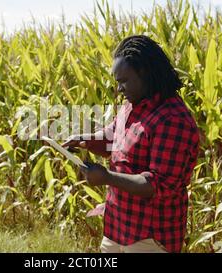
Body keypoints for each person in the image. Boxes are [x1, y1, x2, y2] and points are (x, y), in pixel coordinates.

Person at [62, 35, 200, 253]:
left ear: (145, 72)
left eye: (123, 81)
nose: (119, 89)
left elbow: (157, 185)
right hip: (118, 227)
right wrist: (86, 141)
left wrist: (106, 177)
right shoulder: (132, 105)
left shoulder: (173, 119)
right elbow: (113, 136)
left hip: (149, 238)